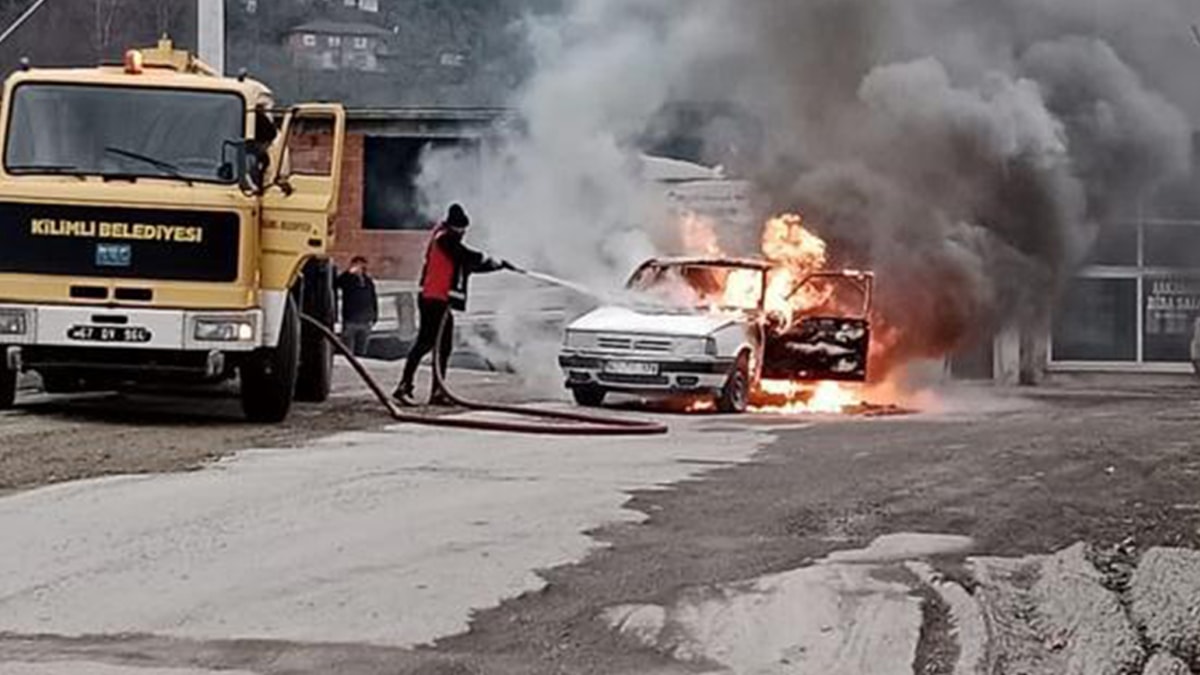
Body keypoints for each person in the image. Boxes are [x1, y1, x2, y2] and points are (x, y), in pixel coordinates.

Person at [395, 204, 514, 406]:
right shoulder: (444, 239)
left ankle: (437, 392)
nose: (462, 233)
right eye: (461, 230)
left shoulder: (448, 242)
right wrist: (489, 259)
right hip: (433, 299)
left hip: (441, 301)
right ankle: (405, 386)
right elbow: (465, 255)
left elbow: (468, 264)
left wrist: (498, 266)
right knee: (425, 343)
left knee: (444, 347)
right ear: (453, 227)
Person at [336, 256, 378, 357]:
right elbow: (337, 283)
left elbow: (373, 299)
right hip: (351, 320)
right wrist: (348, 272)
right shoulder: (348, 279)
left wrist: (375, 316)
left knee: (362, 352)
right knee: (347, 351)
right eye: (357, 264)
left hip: (366, 320)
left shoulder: (368, 281)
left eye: (362, 265)